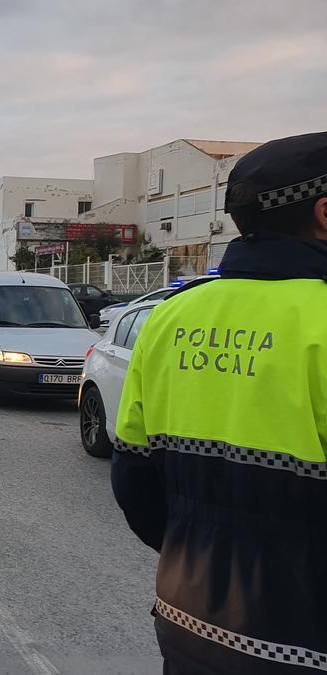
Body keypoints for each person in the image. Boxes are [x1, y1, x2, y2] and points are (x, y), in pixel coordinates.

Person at [112, 131, 327, 674]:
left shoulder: (170, 317)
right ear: (324, 212)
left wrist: (203, 554)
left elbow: (133, 477)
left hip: (191, 624)